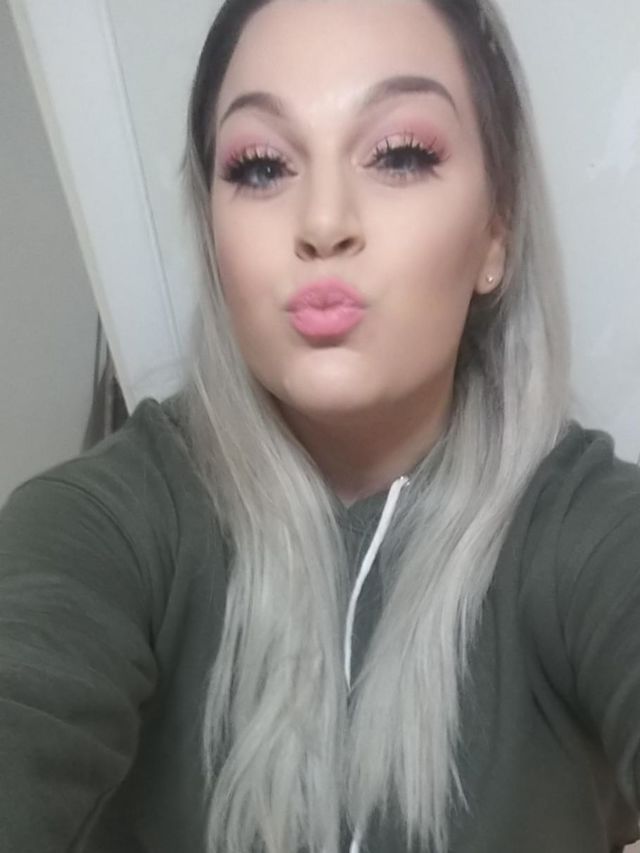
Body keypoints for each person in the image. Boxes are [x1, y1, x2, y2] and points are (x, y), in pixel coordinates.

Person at [1, 0, 639, 850]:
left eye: (400, 154)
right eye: (262, 166)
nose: (323, 222)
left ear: (496, 233)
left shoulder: (587, 533)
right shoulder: (112, 523)